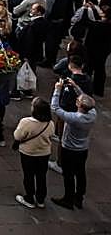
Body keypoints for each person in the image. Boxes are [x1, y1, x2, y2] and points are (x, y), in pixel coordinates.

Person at [50, 78, 96, 209]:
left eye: (78, 101)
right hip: (83, 148)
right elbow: (85, 98)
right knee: (81, 173)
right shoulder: (92, 113)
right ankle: (79, 197)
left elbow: (55, 108)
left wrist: (57, 90)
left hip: (69, 148)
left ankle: (68, 199)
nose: (77, 100)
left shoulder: (74, 118)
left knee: (68, 174)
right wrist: (76, 86)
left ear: (80, 106)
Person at [12, 96, 52, 209]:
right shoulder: (50, 123)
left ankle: (29, 197)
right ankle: (40, 199)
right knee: (41, 176)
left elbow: (17, 136)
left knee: (28, 175)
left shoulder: (26, 122)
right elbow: (50, 135)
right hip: (44, 153)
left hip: (28, 153)